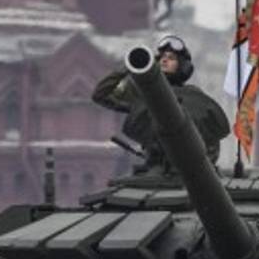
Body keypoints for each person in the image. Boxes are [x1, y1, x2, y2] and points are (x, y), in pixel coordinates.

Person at [92, 34, 230, 166]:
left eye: (171, 58)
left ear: (183, 66)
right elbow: (101, 95)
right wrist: (128, 68)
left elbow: (213, 132)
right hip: (155, 164)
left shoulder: (194, 96)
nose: (164, 60)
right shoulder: (143, 94)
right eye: (162, 57)